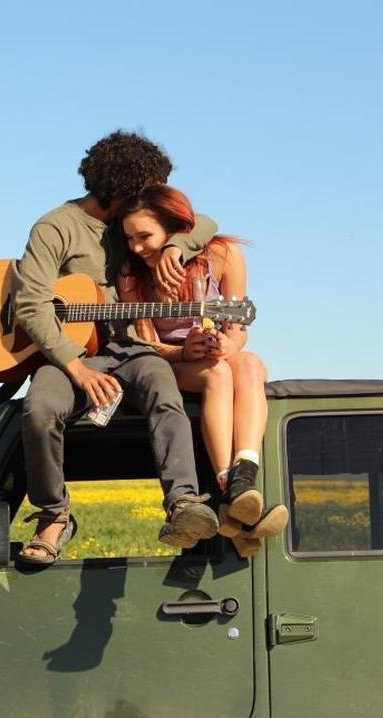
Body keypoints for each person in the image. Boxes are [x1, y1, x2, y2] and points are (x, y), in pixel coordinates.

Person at [11, 131, 220, 565]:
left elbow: (204, 222)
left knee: (163, 388)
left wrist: (176, 247)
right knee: (39, 409)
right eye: (147, 190)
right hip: (69, 354)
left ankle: (183, 503)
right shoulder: (56, 227)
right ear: (124, 190)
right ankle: (54, 514)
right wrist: (77, 368)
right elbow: (31, 304)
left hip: (130, 349)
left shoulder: (135, 224)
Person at [118, 184, 288, 545]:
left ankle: (243, 478)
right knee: (218, 374)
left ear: (175, 229)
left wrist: (229, 343)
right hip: (172, 361)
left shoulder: (224, 255)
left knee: (251, 365)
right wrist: (183, 352)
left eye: (145, 236)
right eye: (129, 238)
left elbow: (239, 329)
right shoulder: (131, 274)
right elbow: (145, 345)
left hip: (216, 352)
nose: (136, 247)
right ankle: (230, 489)